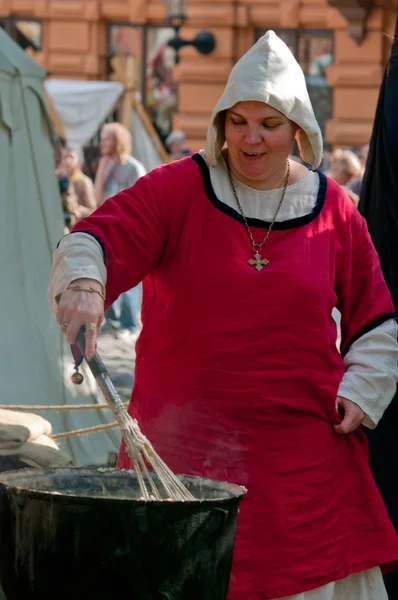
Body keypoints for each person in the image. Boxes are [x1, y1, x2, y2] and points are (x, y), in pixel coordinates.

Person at [48, 32, 398, 600]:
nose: (251, 138)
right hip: (182, 460)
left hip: (302, 469)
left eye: (268, 124)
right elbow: (96, 236)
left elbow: (376, 319)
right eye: (238, 122)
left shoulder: (333, 208)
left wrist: (362, 390)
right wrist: (87, 282)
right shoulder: (177, 190)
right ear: (220, 124)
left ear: (297, 131)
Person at [94, 122, 146, 335]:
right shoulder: (104, 164)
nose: (103, 142)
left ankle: (129, 322)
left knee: (129, 274)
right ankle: (112, 318)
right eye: (102, 137)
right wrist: (101, 170)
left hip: (127, 227)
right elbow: (98, 199)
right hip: (107, 225)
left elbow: (143, 199)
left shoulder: (132, 167)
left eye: (108, 138)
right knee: (109, 271)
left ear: (118, 141)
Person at [62, 147, 97, 218]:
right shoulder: (61, 180)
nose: (68, 161)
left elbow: (93, 210)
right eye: (65, 157)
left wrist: (78, 210)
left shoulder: (83, 181)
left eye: (71, 157)